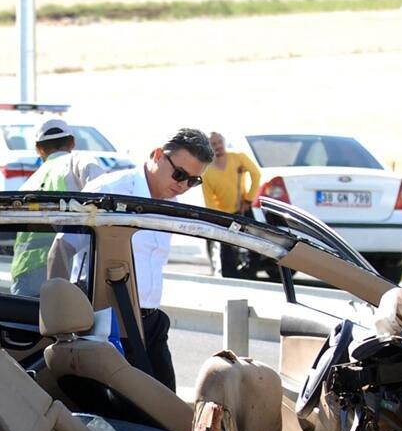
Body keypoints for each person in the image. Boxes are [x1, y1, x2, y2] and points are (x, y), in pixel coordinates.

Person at [74, 128, 213, 391]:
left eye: (193, 181)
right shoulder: (110, 191)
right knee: (127, 414)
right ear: (158, 155)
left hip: (150, 321)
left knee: (166, 410)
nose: (183, 186)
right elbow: (64, 249)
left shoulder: (172, 205)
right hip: (108, 322)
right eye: (180, 175)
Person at [9, 115, 110, 297]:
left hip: (24, 271)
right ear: (72, 142)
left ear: (39, 149)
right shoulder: (78, 161)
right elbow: (104, 197)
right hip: (63, 266)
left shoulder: (29, 183)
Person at [199, 131, 262, 278]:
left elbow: (256, 174)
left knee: (255, 244)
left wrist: (249, 199)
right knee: (225, 249)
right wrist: (217, 216)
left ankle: (251, 275)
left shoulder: (238, 158)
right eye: (213, 144)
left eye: (219, 142)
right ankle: (230, 278)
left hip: (244, 208)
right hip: (224, 214)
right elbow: (209, 200)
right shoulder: (206, 171)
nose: (217, 146)